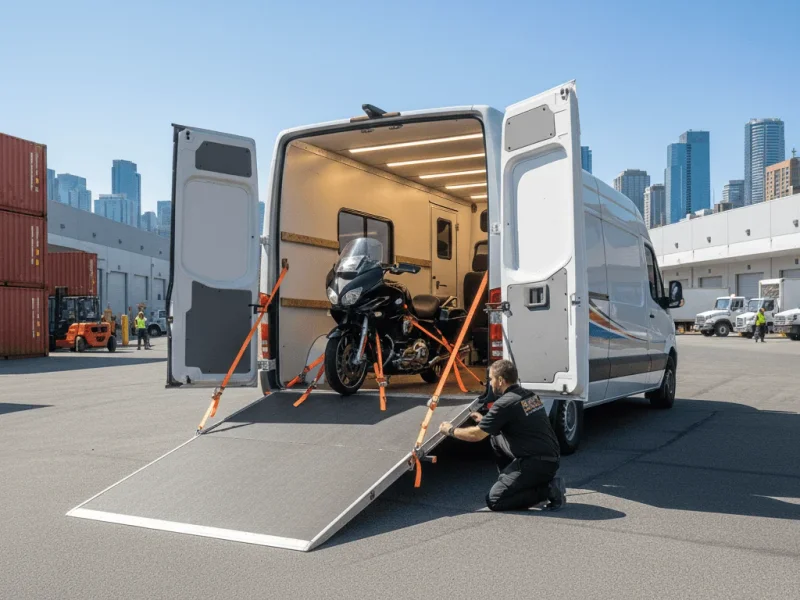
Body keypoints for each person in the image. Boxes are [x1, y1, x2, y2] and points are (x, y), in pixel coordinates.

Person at [438, 359, 566, 512]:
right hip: (549, 457)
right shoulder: (528, 395)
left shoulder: (505, 403)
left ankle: (548, 490)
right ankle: (511, 480)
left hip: (537, 463)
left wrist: (450, 430)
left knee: (495, 500)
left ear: (500, 380)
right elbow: (517, 422)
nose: (490, 384)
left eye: (491, 379)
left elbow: (476, 435)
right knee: (494, 436)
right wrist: (485, 421)